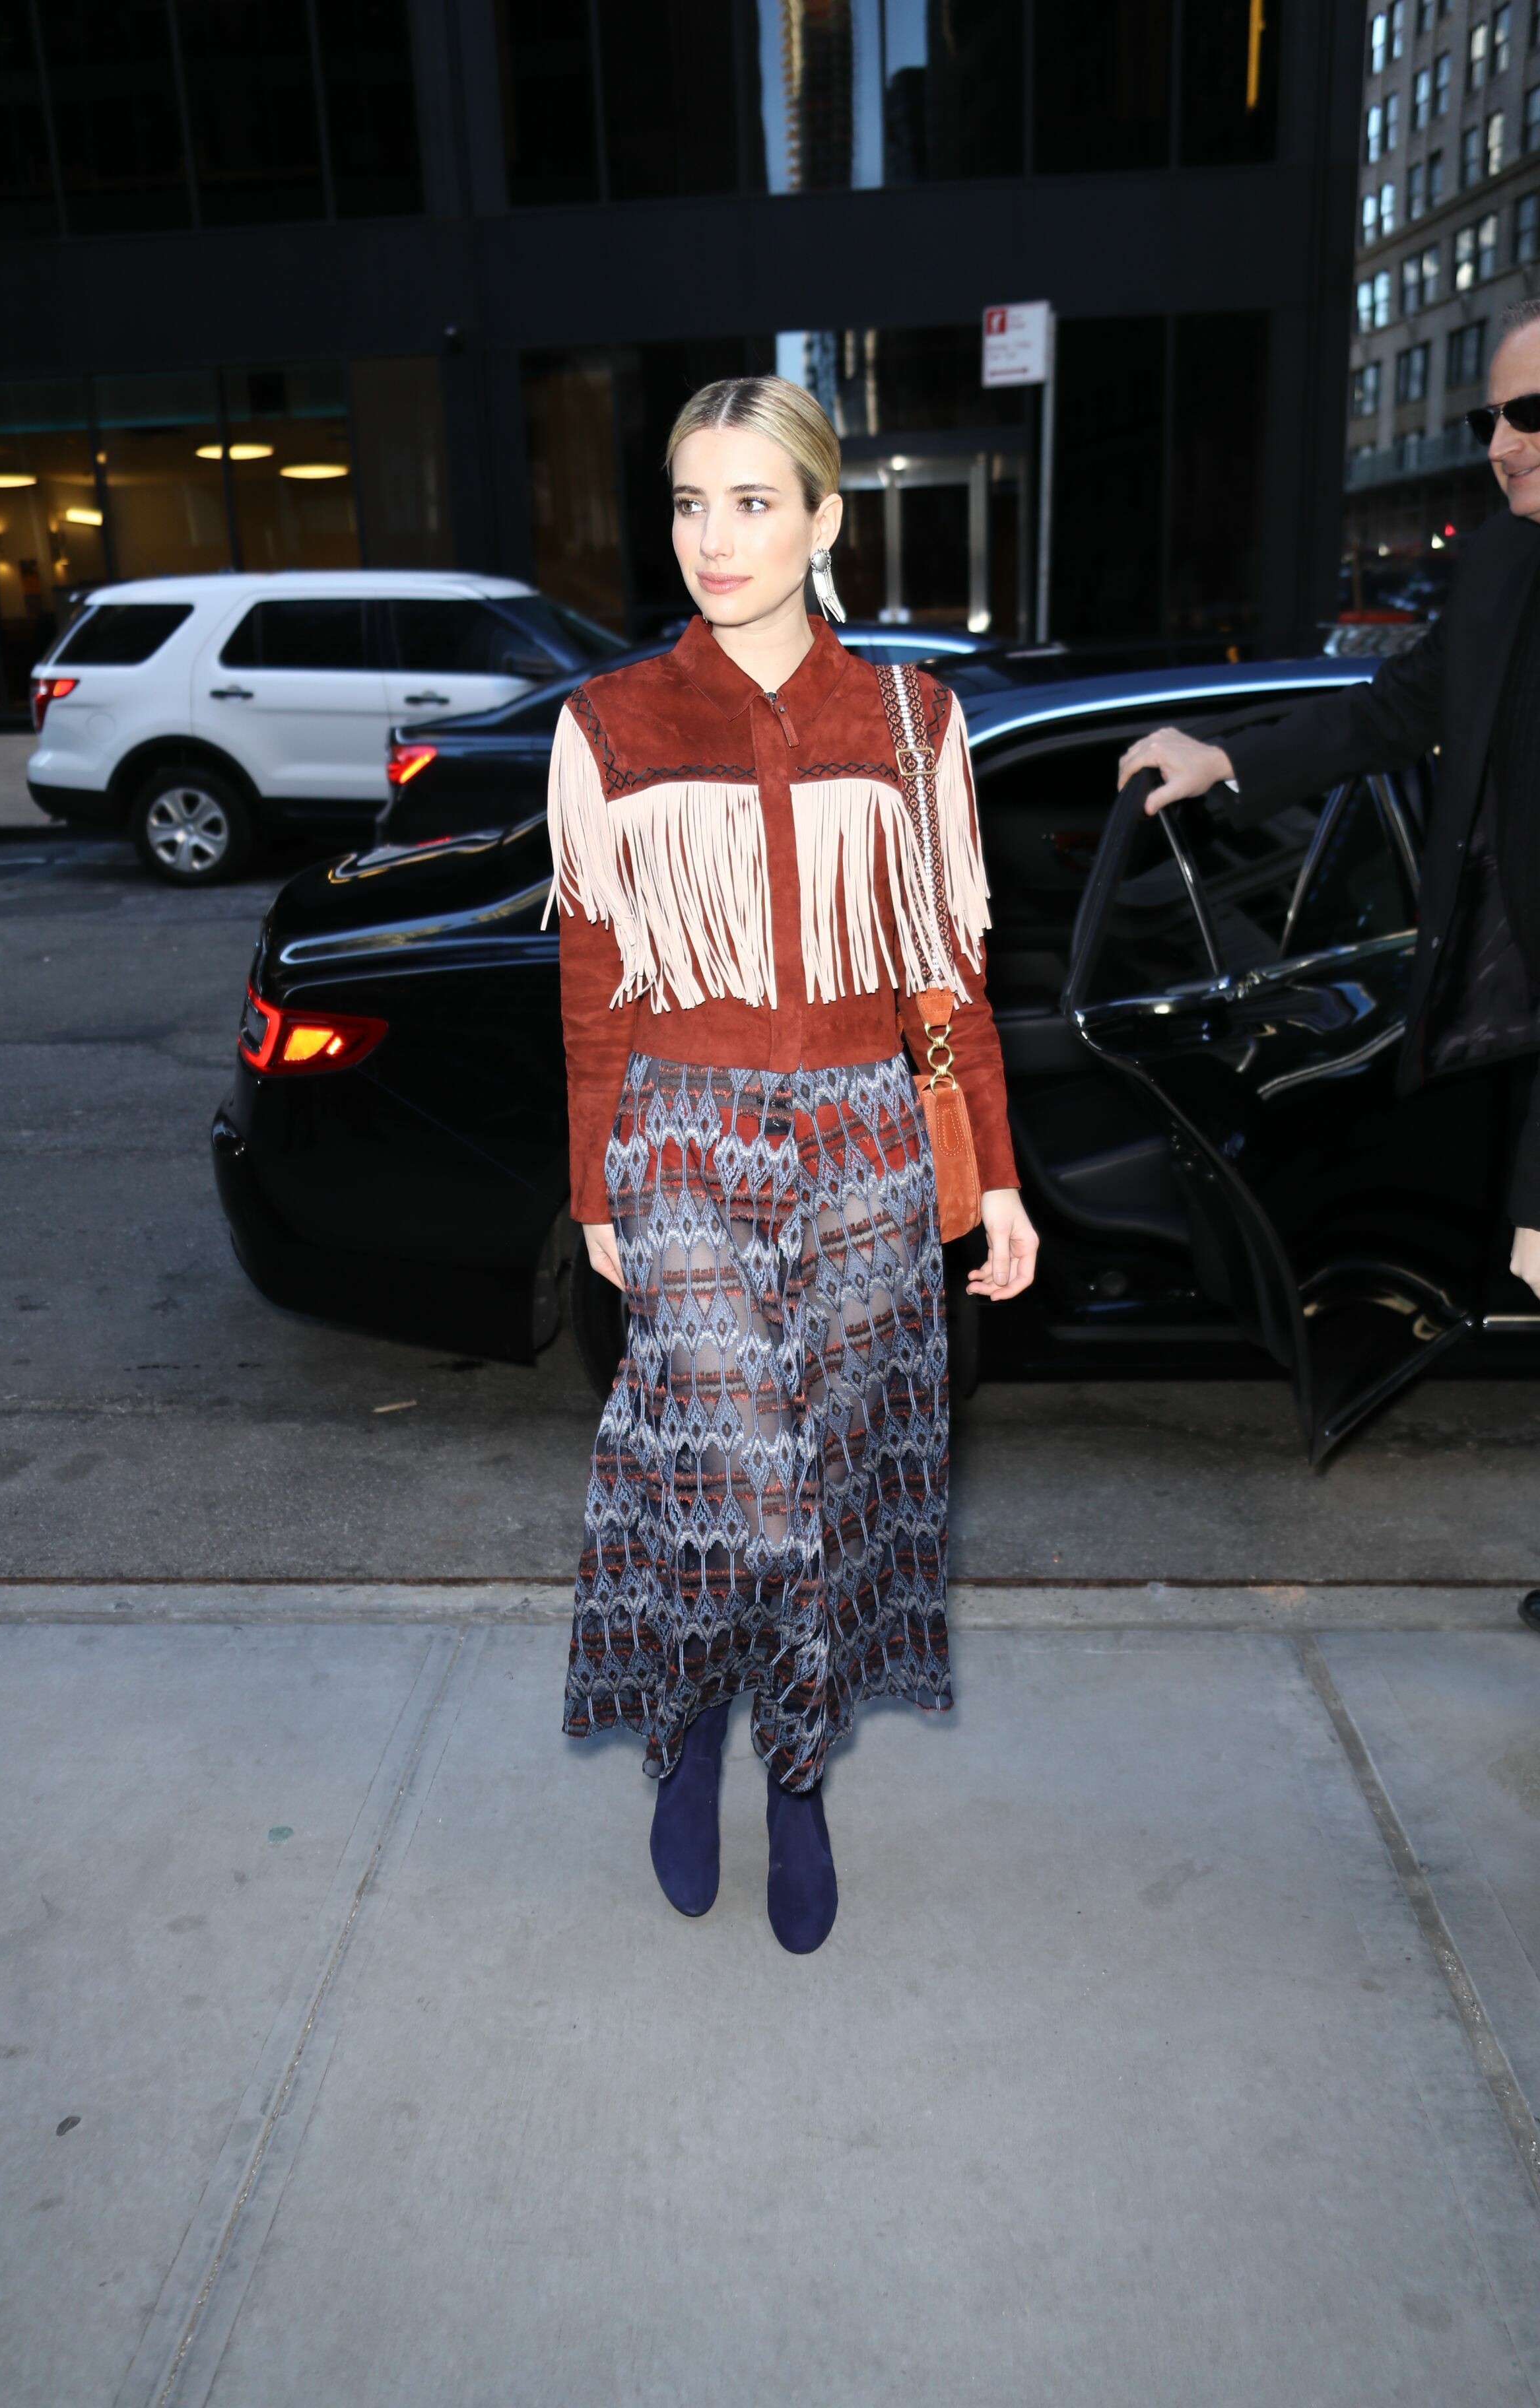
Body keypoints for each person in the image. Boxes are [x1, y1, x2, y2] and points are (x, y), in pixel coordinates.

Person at [544, 375, 1038, 1952]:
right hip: (680, 1140)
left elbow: (947, 980)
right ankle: (696, 1723)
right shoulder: (609, 724)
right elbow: (591, 988)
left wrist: (996, 1179)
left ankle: (797, 1774)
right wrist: (593, 1187)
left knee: (832, 1487)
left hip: (865, 1145)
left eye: (753, 502)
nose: (715, 537)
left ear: (824, 519)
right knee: (740, 1481)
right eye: (690, 503)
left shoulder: (909, 721)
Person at [1118, 293, 1540, 1630]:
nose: (1498, 445)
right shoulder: (1501, 567)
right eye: (1490, 418)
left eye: (1527, 414)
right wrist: (1222, 758)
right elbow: (1398, 708)